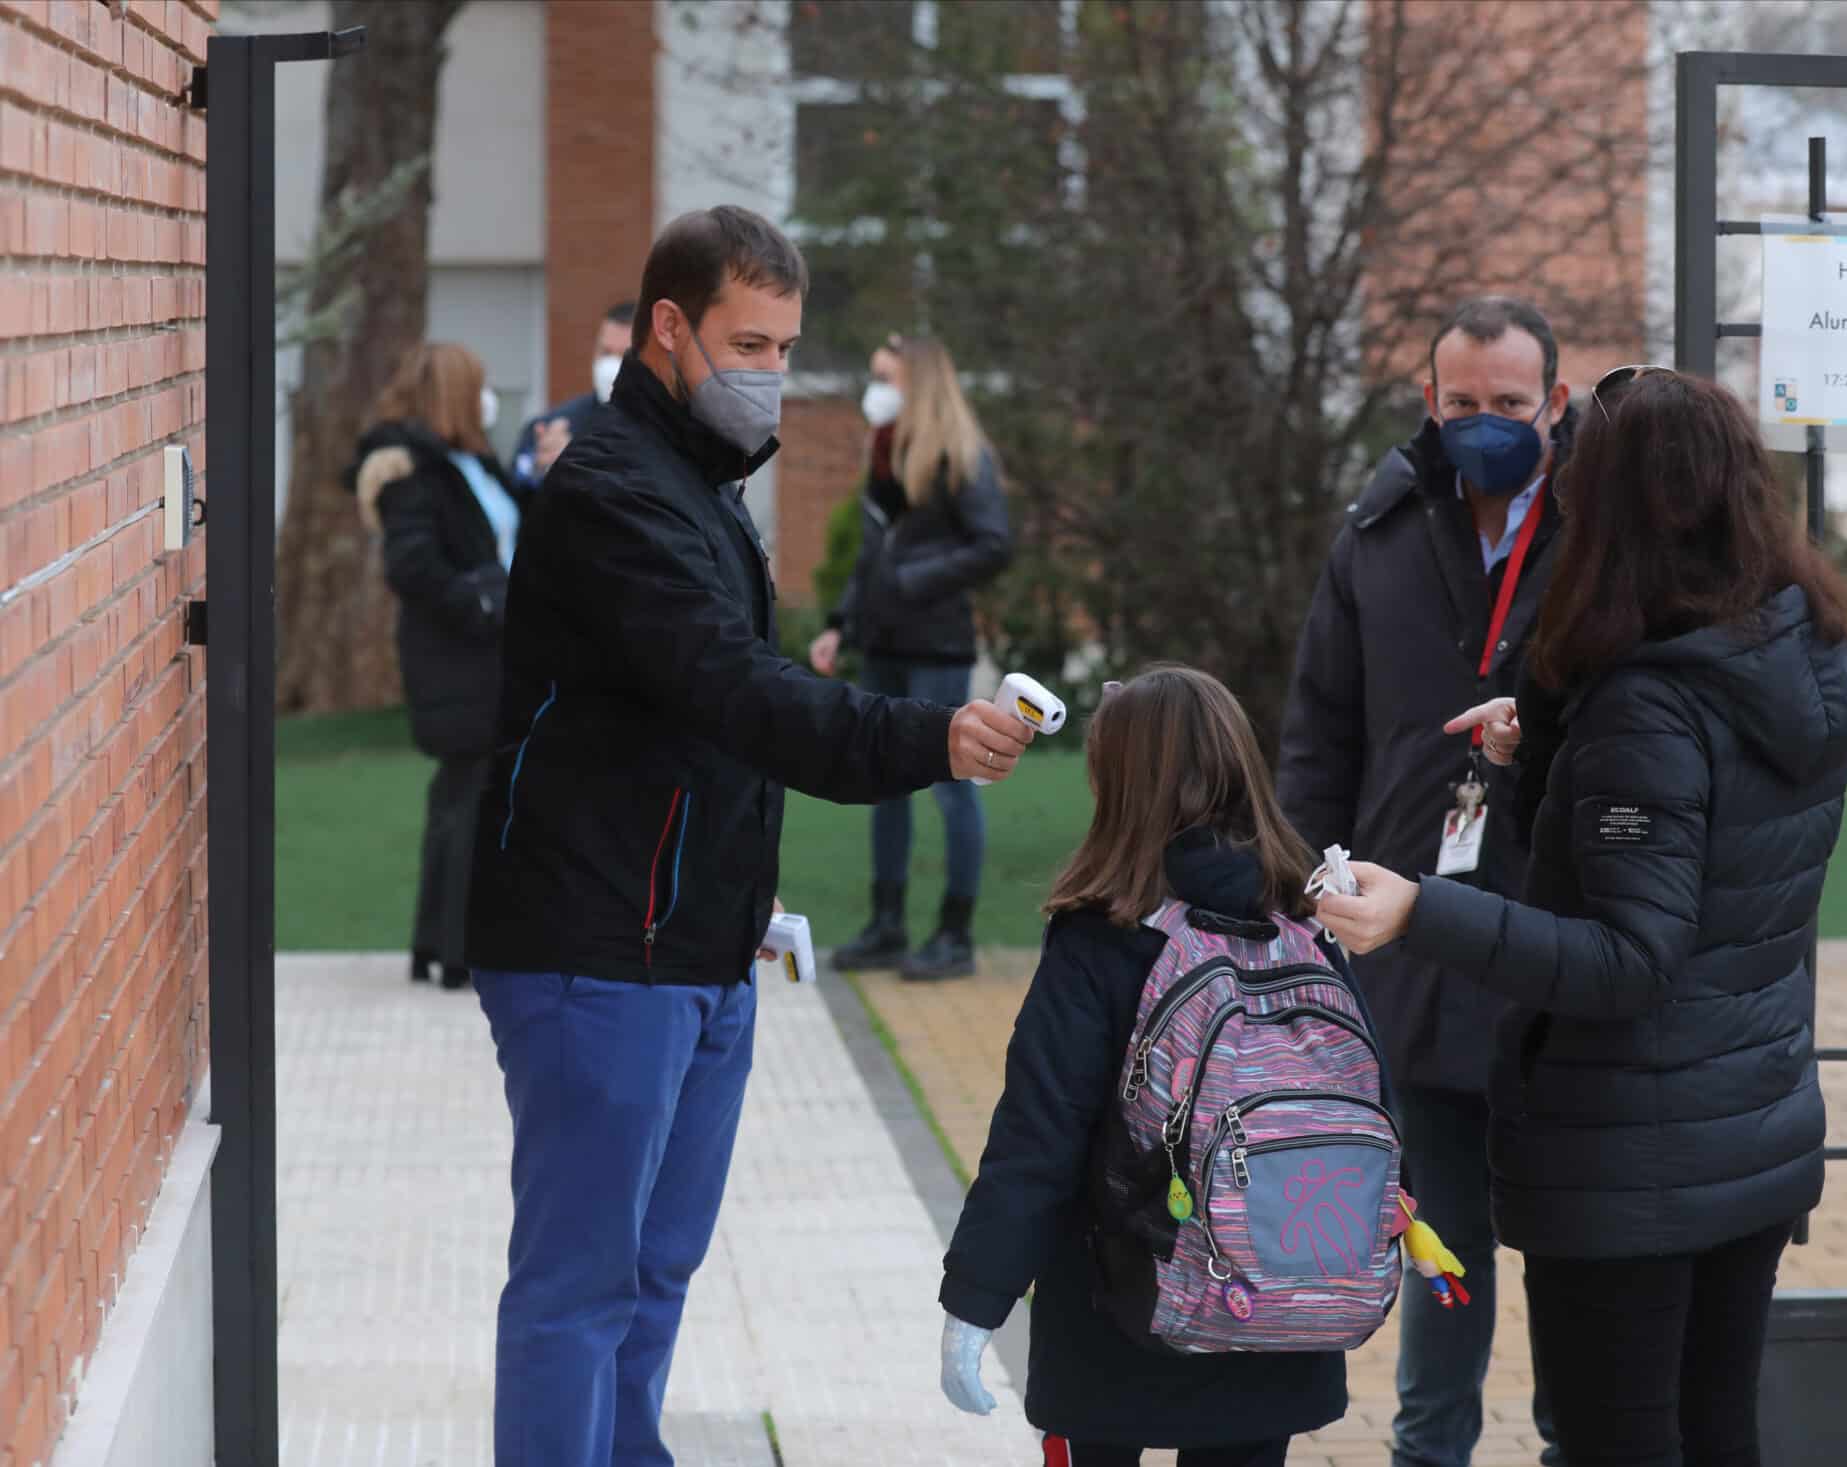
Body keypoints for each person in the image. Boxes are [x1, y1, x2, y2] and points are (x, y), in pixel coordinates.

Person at [462, 205, 1037, 1467]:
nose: (772, 372)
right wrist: (927, 736)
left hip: (696, 952)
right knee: (578, 1290)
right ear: (669, 329)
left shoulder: (698, 490)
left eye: (786, 344)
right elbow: (735, 689)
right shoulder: (614, 489)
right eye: (749, 342)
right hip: (593, 948)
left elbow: (717, 727)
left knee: (655, 1275)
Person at [1314, 367, 1847, 1467]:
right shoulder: (1795, 646)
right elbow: (1692, 855)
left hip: (1631, 1163)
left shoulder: (1649, 706)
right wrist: (1548, 749)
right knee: (1716, 1433)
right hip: (1747, 1125)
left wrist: (1420, 912)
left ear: (1616, 508)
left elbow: (1628, 958)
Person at [1276, 297, 1570, 1467]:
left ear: (1553, 401)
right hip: (1408, 942)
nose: (1486, 425)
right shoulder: (1379, 533)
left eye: (1509, 405)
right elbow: (1316, 736)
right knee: (1437, 1238)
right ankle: (1427, 1450)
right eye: (1462, 406)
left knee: (1566, 1240)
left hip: (1558, 937)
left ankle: (1570, 1440)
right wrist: (1303, 896)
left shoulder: (1606, 534)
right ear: (1427, 405)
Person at [939, 666, 1366, 1467]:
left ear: (1118, 784)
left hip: (1120, 1308)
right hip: (1272, 1309)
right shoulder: (1307, 921)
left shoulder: (1101, 935)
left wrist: (975, 1298)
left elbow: (1038, 1140)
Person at [810, 335, 1014, 980]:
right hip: (884, 643)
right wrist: (840, 622)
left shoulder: (963, 455)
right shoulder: (884, 450)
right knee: (884, 782)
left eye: (884, 376)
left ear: (918, 381)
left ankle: (954, 933)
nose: (875, 388)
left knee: (955, 790)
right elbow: (871, 554)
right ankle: (887, 924)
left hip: (938, 645)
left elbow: (993, 543)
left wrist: (914, 577)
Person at [347, 341, 524, 991]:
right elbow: (413, 566)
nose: (489, 400)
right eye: (477, 387)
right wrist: (486, 598)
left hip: (490, 653)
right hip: (458, 659)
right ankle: (458, 951)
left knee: (464, 794)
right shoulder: (411, 471)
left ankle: (440, 945)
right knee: (468, 794)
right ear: (452, 394)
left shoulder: (471, 460)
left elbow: (512, 528)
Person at [509, 299, 636, 492]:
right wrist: (542, 469)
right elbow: (519, 496)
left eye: (624, 355)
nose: (611, 365)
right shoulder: (556, 425)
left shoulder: (667, 429)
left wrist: (576, 465)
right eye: (605, 352)